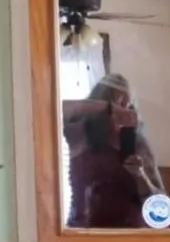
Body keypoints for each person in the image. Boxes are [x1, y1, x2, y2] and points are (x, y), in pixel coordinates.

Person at [63, 72, 164, 229]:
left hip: (130, 234)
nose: (122, 111)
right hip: (82, 233)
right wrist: (108, 108)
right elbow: (57, 110)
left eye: (127, 106)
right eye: (116, 104)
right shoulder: (80, 137)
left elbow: (160, 201)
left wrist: (141, 176)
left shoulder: (137, 144)